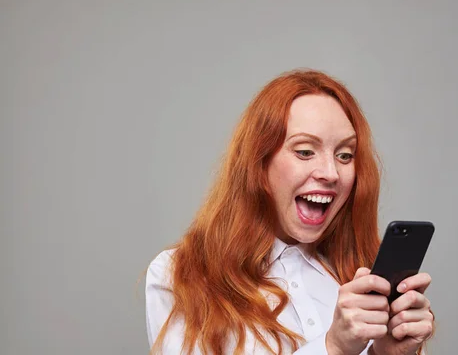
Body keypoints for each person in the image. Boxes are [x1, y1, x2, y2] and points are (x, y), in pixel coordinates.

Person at [145, 69, 435, 355]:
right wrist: (333, 348)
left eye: (345, 155)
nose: (331, 173)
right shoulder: (180, 274)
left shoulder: (362, 281)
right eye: (305, 152)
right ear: (258, 164)